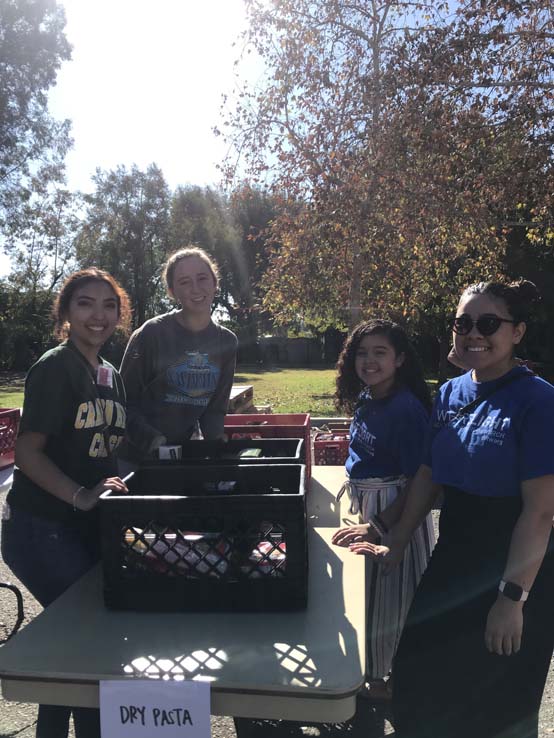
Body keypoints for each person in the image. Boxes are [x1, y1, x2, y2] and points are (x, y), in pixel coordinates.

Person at [372, 280, 554, 738]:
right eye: (463, 323)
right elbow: (430, 475)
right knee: (418, 678)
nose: (474, 332)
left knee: (497, 705)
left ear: (517, 332)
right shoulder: (451, 392)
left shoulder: (539, 401)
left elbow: (540, 513)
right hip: (455, 556)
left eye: (489, 323)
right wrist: (396, 539)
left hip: (517, 564)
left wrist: (511, 601)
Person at [1, 268, 131, 738]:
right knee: (90, 643)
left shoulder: (109, 374)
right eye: (85, 304)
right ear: (66, 313)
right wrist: (80, 495)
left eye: (109, 305)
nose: (99, 315)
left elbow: (101, 447)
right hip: (41, 526)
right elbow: (29, 452)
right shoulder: (55, 367)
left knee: (71, 641)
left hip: (79, 526)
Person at [330, 319, 435, 700]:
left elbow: (418, 482)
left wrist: (379, 525)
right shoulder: (367, 397)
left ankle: (388, 684)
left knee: (392, 603)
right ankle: (373, 676)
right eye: (362, 353)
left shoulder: (406, 409)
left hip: (393, 515)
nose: (369, 361)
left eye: (380, 353)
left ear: (400, 359)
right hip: (366, 509)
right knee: (368, 599)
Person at [120, 247, 238, 461]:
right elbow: (122, 402)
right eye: (184, 282)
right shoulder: (151, 333)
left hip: (182, 455)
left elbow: (215, 409)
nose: (195, 288)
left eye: (202, 278)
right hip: (136, 458)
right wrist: (152, 440)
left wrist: (216, 445)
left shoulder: (227, 342)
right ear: (172, 291)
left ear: (215, 283)